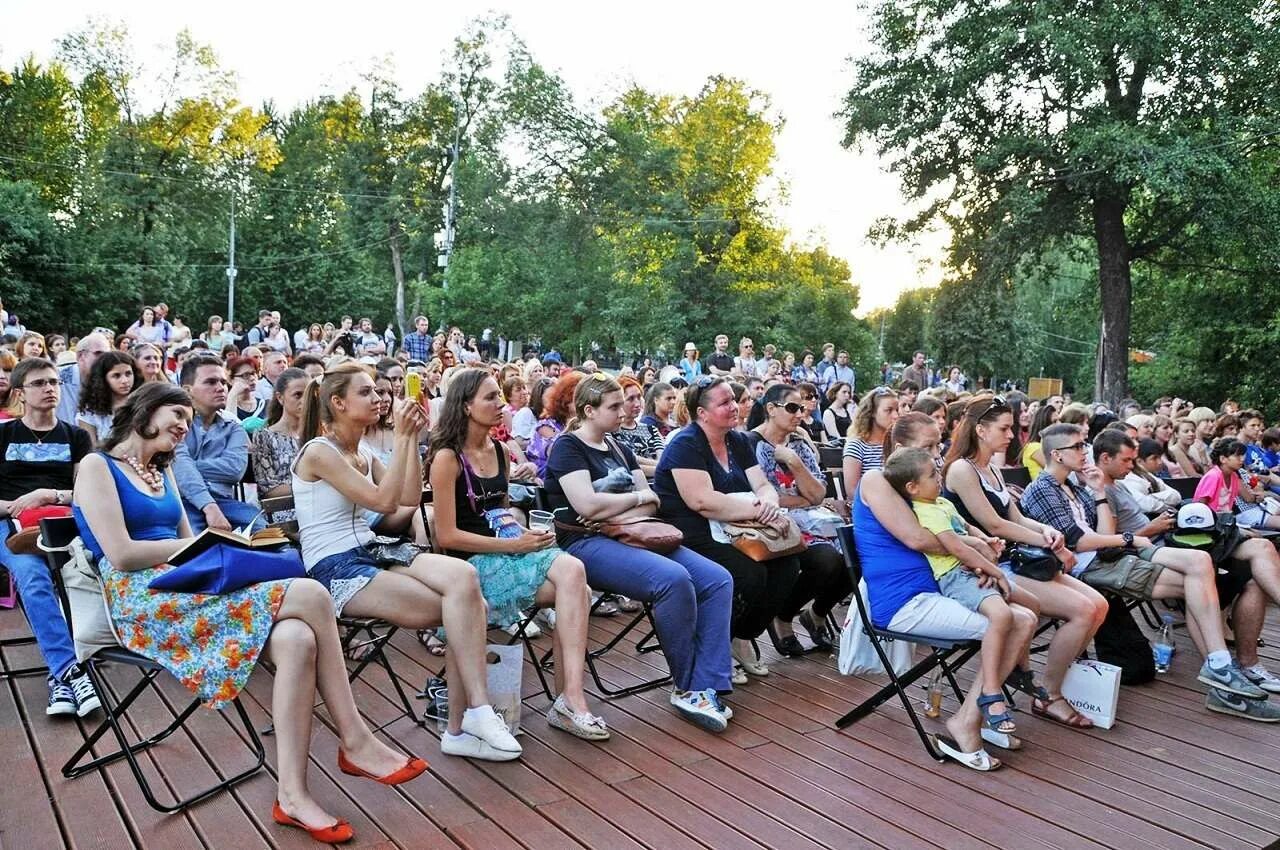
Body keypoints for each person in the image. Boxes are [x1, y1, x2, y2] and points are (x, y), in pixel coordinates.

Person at [75, 381, 428, 840]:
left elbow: (189, 548)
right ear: (145, 410)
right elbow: (120, 554)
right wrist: (208, 542)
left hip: (190, 586)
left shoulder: (160, 472)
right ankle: (355, 737)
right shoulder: (97, 465)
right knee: (313, 594)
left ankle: (293, 797)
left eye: (186, 418)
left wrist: (221, 550)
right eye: (176, 416)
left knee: (299, 640)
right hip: (143, 602)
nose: (183, 426)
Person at [291, 362, 524, 760]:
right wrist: (400, 439)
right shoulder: (318, 452)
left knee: (465, 581)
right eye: (366, 392)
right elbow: (382, 501)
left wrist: (413, 439)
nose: (379, 397)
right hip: (334, 566)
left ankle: (469, 720)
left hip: (373, 548)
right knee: (467, 609)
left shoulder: (361, 450)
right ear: (338, 403)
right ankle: (471, 718)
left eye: (377, 391)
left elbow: (408, 501)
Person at [1021, 425, 1268, 707]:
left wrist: (1100, 492)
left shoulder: (1074, 487)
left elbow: (1102, 534)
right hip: (1090, 568)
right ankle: (1221, 672)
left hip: (1111, 557)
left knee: (1200, 565)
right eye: (1077, 447)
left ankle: (1219, 664)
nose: (1084, 451)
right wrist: (1132, 538)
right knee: (1200, 581)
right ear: (1057, 455)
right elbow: (1081, 542)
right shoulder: (1043, 489)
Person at [544, 374, 734, 730]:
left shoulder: (619, 447)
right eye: (614, 406)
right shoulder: (568, 447)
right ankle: (687, 685)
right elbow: (585, 504)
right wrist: (633, 500)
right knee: (673, 579)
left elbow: (652, 502)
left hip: (635, 534)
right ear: (589, 410)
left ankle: (705, 682)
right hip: (585, 544)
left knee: (717, 579)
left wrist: (614, 507)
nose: (623, 411)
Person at [428, 368, 608, 740]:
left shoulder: (499, 450)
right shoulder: (447, 458)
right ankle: (569, 702)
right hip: (471, 567)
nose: (501, 405)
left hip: (509, 550)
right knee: (579, 589)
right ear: (465, 406)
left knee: (574, 572)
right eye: (491, 398)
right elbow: (446, 535)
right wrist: (514, 545)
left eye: (499, 396)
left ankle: (571, 698)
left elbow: (501, 516)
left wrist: (526, 535)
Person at [941, 400, 1107, 728]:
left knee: (1099, 605)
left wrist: (1046, 530)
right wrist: (1049, 541)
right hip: (987, 568)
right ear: (980, 430)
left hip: (1015, 559)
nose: (1011, 435)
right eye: (1004, 428)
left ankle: (1043, 681)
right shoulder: (962, 469)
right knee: (1083, 611)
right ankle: (1049, 694)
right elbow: (995, 525)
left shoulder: (990, 467)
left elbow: (1014, 517)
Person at [1095, 430, 1280, 718]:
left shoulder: (1118, 484)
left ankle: (1244, 667)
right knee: (1225, 579)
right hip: (1155, 550)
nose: (1133, 466)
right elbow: (1110, 541)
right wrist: (1152, 528)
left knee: (1261, 549)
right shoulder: (1101, 491)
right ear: (1105, 458)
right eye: (1127, 460)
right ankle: (1224, 674)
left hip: (1174, 541)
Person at [853, 442, 1010, 769]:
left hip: (933, 589)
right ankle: (969, 720)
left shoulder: (921, 496)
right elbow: (919, 540)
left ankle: (973, 716)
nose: (936, 458)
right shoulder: (878, 483)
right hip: (903, 601)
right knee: (1013, 622)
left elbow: (950, 536)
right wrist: (976, 547)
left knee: (1019, 615)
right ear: (899, 448)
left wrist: (977, 555)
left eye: (936, 449)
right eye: (926, 447)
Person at [652, 376, 802, 683]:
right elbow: (702, 502)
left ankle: (740, 636)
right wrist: (761, 512)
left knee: (788, 565)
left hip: (738, 527)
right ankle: (714, 645)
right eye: (724, 403)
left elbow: (762, 484)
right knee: (750, 574)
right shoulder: (686, 444)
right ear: (702, 413)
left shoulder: (738, 440)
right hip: (691, 532)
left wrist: (769, 503)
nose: (734, 406)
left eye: (734, 400)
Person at [887, 447, 1037, 735]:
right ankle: (991, 691)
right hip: (955, 575)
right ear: (913, 487)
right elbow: (954, 546)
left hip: (972, 567)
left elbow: (965, 527)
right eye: (932, 475)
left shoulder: (941, 502)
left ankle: (1020, 668)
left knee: (1032, 603)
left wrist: (986, 540)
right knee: (1002, 616)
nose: (939, 477)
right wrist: (992, 570)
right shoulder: (925, 512)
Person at [0, 357, 101, 718]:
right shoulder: (4, 435)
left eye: (55, 383)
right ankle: (68, 671)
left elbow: (89, 493)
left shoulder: (75, 436)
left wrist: (48, 495)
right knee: (32, 576)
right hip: (11, 526)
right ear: (20, 394)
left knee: (98, 566)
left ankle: (68, 672)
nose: (50, 389)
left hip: (63, 521)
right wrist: (16, 506)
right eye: (40, 383)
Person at [751, 384, 851, 654]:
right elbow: (766, 496)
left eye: (803, 408)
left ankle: (817, 613)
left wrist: (794, 463)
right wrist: (805, 497)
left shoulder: (798, 444)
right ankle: (783, 616)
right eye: (793, 408)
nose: (800, 413)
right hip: (772, 523)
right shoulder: (751, 444)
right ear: (771, 409)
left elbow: (818, 492)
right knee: (827, 561)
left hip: (813, 520)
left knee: (858, 556)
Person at [173, 355, 261, 534]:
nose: (221, 388)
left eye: (222, 381)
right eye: (211, 382)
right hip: (180, 500)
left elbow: (234, 470)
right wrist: (208, 505)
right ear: (187, 390)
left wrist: (188, 467)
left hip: (225, 503)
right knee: (190, 545)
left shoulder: (233, 428)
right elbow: (179, 462)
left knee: (264, 532)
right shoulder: (175, 423)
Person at [251, 368, 308, 500]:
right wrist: (313, 488)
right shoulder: (264, 436)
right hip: (283, 510)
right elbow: (268, 488)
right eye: (298, 395)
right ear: (280, 398)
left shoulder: (319, 433)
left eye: (308, 395)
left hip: (319, 507)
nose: (304, 401)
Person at [842, 386, 899, 498]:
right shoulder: (857, 446)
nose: (896, 416)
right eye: (889, 410)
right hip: (870, 508)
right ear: (872, 412)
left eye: (897, 410)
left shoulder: (898, 443)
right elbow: (852, 491)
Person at [76, 350, 142, 446]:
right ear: (103, 379)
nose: (125, 381)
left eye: (128, 374)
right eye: (116, 376)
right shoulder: (89, 413)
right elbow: (91, 449)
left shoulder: (142, 403)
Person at [614, 375, 664, 478]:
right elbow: (626, 463)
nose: (637, 404)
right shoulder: (611, 432)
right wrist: (663, 469)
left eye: (639, 397)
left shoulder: (651, 429)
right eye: (630, 399)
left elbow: (663, 457)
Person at [56, 333, 110, 425]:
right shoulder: (57, 378)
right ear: (80, 356)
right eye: (98, 353)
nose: (104, 359)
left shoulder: (111, 381)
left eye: (107, 355)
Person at [1019, 403, 1058, 478]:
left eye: (1060, 420)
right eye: (1055, 421)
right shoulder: (1034, 447)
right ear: (1045, 424)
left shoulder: (1052, 447)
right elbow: (1057, 471)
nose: (1060, 424)